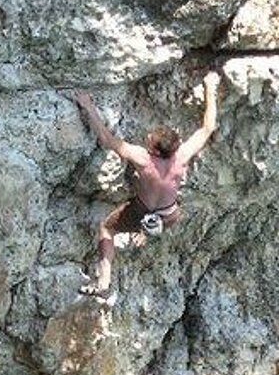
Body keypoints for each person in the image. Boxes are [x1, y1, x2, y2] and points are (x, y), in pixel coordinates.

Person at [70, 70, 220, 297]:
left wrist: (88, 106)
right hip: (169, 215)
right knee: (154, 215)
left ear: (154, 149)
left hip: (142, 211)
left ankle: (104, 282)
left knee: (106, 228)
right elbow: (208, 127)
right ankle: (144, 232)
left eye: (150, 139)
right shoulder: (181, 156)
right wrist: (210, 87)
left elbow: (107, 140)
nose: (147, 137)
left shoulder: (143, 158)